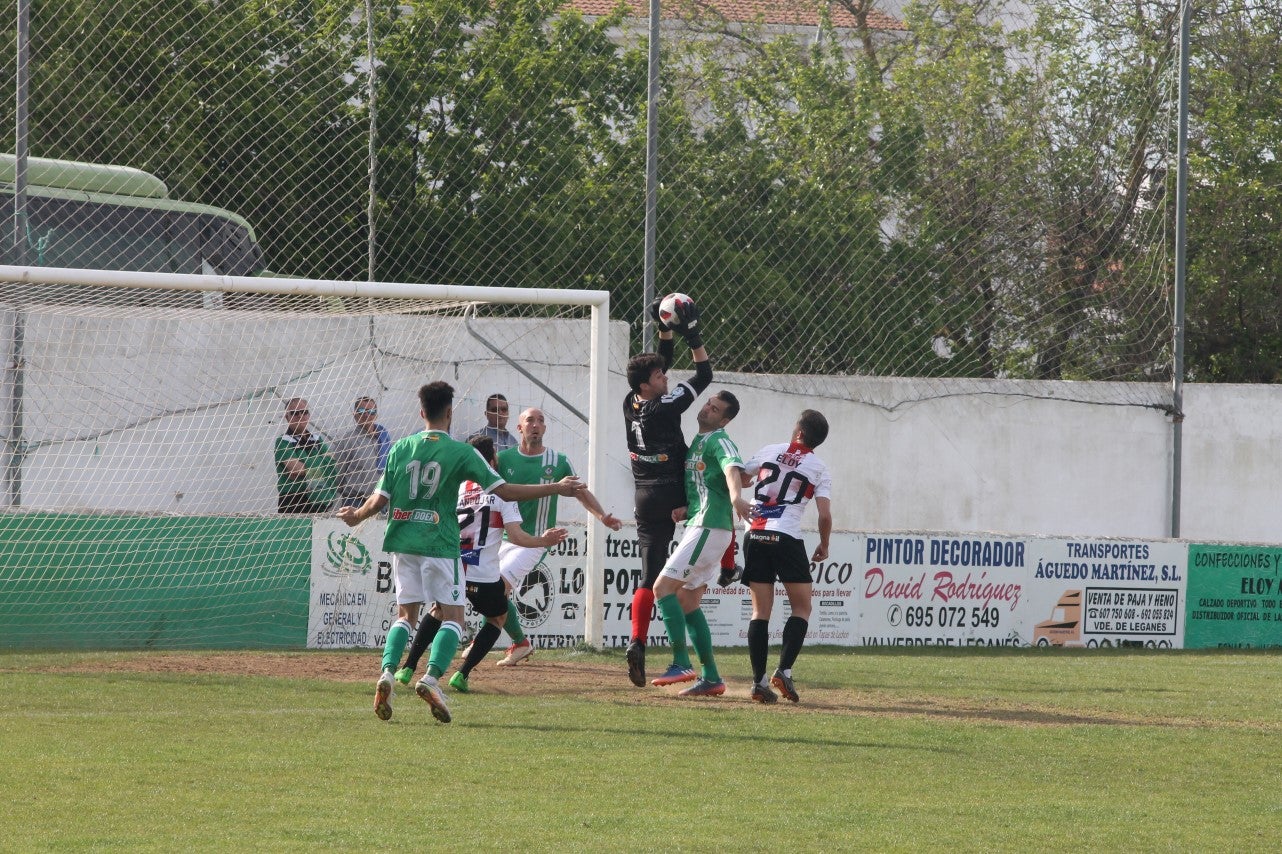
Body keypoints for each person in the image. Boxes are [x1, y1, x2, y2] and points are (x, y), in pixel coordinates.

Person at [337, 381, 583, 724]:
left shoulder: (400, 448)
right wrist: (556, 486)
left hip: (402, 542)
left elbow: (379, 500)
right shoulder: (462, 452)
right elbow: (506, 492)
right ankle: (432, 679)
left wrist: (355, 517)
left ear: (421, 412)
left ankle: (389, 673)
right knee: (453, 616)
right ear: (449, 414)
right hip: (440, 545)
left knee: (405, 616)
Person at [394, 436, 569, 694]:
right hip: (483, 576)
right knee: (497, 617)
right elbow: (518, 537)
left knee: (438, 610)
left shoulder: (455, 488)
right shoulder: (500, 491)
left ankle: (407, 667)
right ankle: (462, 675)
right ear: (493, 460)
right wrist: (544, 540)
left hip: (453, 566)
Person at [488, 406, 623, 665]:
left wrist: (602, 516)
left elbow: (580, 491)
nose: (535, 425)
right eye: (530, 420)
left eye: (541, 420)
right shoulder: (503, 460)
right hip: (506, 538)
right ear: (519, 428)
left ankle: (486, 639)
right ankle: (520, 643)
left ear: (545, 428)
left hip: (538, 540)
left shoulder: (557, 460)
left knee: (498, 587)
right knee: (491, 589)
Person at [622, 297, 712, 687]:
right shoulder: (666, 407)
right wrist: (691, 334)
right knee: (704, 540)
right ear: (649, 386)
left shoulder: (632, 402)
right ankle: (726, 566)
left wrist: (664, 329)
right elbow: (704, 375)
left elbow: (657, 367)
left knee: (648, 576)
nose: (666, 379)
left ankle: (637, 641)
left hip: (643, 496)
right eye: (660, 377)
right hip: (676, 494)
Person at [649, 390, 750, 698]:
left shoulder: (720, 440)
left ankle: (681, 662)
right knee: (688, 603)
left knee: (661, 589)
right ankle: (711, 678)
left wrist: (736, 497)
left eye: (715, 408)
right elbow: (709, 486)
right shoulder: (699, 441)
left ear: (725, 419)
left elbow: (733, 469)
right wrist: (687, 509)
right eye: (708, 403)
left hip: (709, 527)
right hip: (703, 523)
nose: (707, 409)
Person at [740, 410, 833, 704]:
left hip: (754, 534)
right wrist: (824, 544)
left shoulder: (770, 450)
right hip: (786, 536)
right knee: (802, 608)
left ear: (799, 433)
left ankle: (758, 682)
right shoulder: (819, 468)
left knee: (760, 612)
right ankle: (785, 670)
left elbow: (742, 478)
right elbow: (824, 514)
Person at [274, 397, 338, 513]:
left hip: (318, 497)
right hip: (293, 500)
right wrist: (322, 464)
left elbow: (332, 463)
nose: (300, 416)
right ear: (287, 418)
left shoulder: (317, 439)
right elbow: (295, 469)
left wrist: (304, 466)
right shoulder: (282, 441)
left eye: (304, 412)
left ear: (309, 415)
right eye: (294, 413)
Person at [332, 395, 393, 508]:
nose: (366, 414)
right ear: (355, 415)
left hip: (380, 501)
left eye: (371, 411)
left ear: (376, 415)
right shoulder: (347, 441)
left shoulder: (384, 439)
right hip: (355, 501)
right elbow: (338, 473)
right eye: (361, 411)